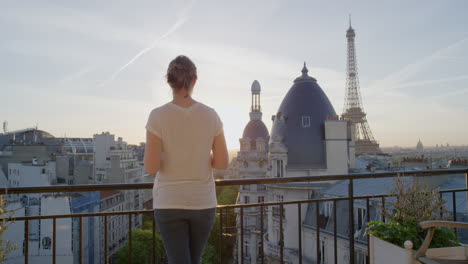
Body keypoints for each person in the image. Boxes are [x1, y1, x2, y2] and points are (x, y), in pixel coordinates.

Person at [144, 55, 229, 264]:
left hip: (169, 202)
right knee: (194, 259)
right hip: (202, 202)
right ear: (194, 80)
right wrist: (198, 155)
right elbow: (222, 163)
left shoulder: (157, 116)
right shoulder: (211, 116)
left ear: (169, 81)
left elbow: (151, 166)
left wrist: (172, 154)